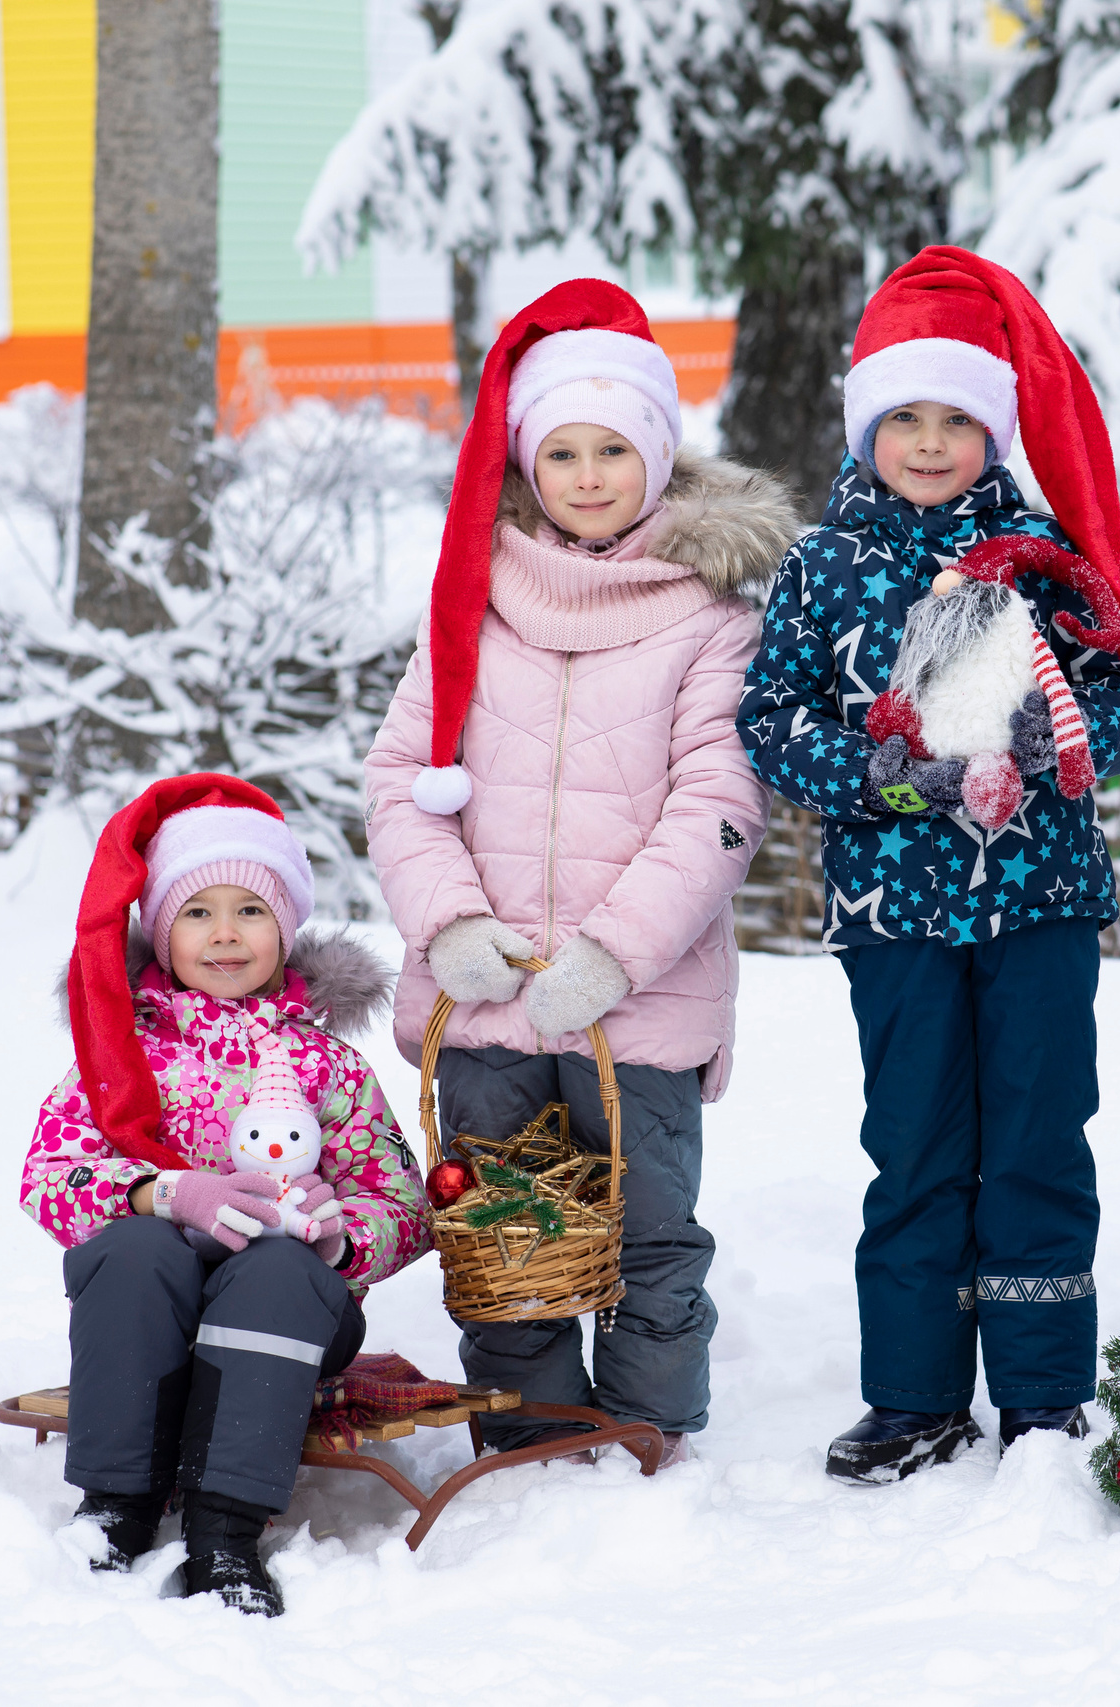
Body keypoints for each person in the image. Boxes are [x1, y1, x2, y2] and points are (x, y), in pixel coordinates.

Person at [736, 247, 1120, 1484]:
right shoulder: (821, 566)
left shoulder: (1046, 556)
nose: (930, 443)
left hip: (1038, 897)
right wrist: (894, 777)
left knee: (1039, 1137)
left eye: (955, 419)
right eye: (905, 418)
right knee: (916, 1146)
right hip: (894, 910)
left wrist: (1058, 742)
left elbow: (1114, 702)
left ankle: (1042, 1395)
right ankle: (913, 1397)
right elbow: (770, 723)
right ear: (865, 428)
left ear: (993, 430)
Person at [366, 279, 799, 1466]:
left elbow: (719, 802)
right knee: (507, 1234)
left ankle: (645, 1434)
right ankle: (532, 1436)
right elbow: (401, 776)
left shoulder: (710, 616)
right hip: (487, 995)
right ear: (527, 463)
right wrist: (451, 925)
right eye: (563, 452)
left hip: (638, 1001)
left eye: (614, 449)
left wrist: (613, 954)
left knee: (649, 1231)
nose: (590, 475)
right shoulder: (471, 601)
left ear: (656, 457)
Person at [19, 775, 431, 1615]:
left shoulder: (328, 1064)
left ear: (286, 928)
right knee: (132, 1252)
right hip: (158, 1310)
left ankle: (226, 1528)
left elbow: (401, 1200)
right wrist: (164, 1192)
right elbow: (50, 1175)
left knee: (275, 1272)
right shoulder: (125, 1052)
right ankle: (116, 1506)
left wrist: (339, 1233)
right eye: (198, 912)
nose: (225, 934)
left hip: (291, 1311)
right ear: (161, 931)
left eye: (251, 910)